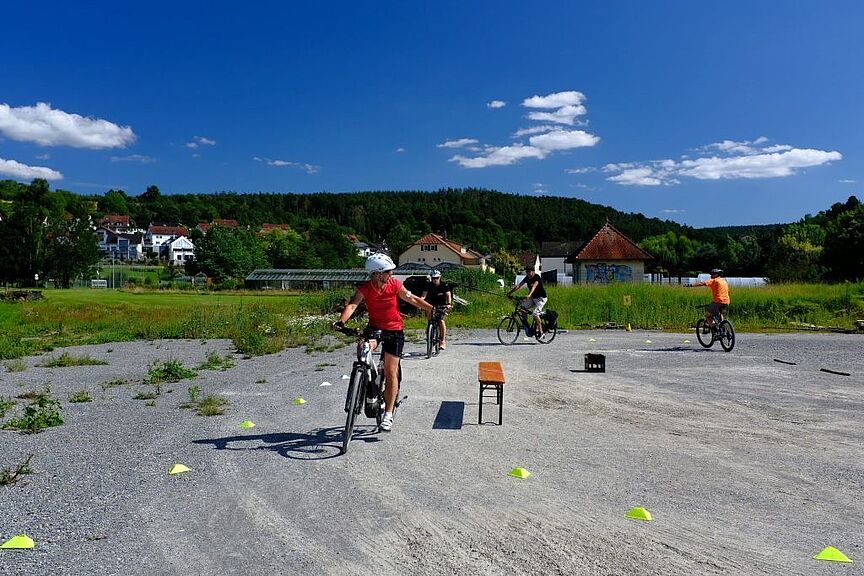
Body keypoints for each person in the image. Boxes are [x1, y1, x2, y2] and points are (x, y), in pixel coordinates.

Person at [332, 253, 433, 432]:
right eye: (388, 272)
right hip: (375, 329)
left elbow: (412, 298)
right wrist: (342, 322)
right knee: (362, 348)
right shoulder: (365, 288)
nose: (391, 275)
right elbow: (353, 305)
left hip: (394, 331)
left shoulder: (394, 285)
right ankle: (368, 382)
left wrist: (433, 309)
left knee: (390, 370)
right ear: (377, 274)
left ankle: (388, 414)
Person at [507, 266, 547, 338]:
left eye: (529, 271)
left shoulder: (537, 277)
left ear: (533, 271)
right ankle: (526, 325)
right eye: (527, 272)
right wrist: (510, 293)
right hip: (533, 298)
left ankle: (541, 332)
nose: (528, 273)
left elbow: (534, 286)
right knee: (522, 307)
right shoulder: (527, 278)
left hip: (541, 299)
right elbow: (519, 285)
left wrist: (529, 295)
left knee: (535, 314)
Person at [419, 269, 453, 349]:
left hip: (442, 305)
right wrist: (420, 303)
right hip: (431, 304)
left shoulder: (444, 285)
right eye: (433, 278)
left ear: (440, 277)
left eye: (437, 278)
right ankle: (429, 332)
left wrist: (448, 304)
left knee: (441, 320)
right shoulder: (428, 285)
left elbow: (448, 295)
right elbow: (423, 296)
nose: (435, 280)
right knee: (430, 317)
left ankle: (442, 341)